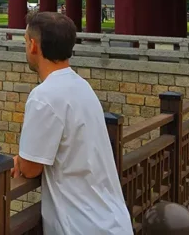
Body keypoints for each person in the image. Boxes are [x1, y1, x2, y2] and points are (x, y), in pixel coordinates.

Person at [12, 12, 132, 234]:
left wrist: (21, 160)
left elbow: (30, 168)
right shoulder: (81, 86)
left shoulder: (44, 96)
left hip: (81, 225)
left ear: (33, 46)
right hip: (111, 220)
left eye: (25, 42)